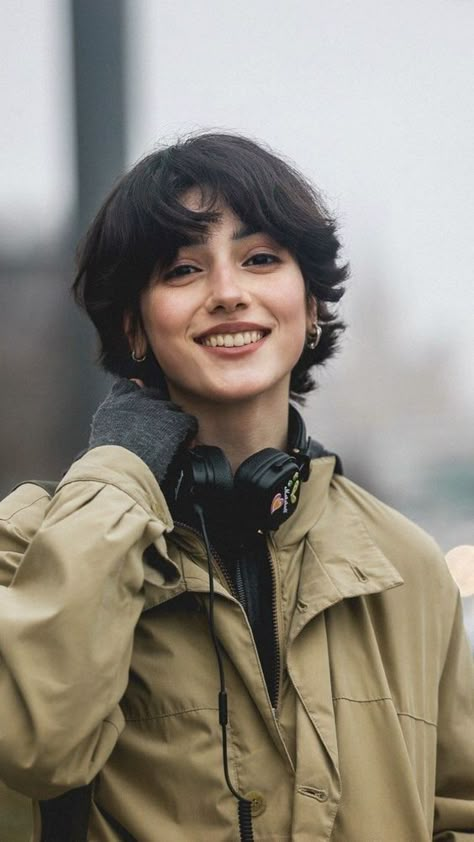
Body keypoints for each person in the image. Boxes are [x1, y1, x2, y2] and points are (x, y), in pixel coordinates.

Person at [0, 133, 472, 842]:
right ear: (133, 324)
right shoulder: (29, 542)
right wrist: (119, 476)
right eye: (184, 269)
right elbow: (36, 746)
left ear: (310, 305)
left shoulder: (403, 566)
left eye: (260, 259)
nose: (228, 293)